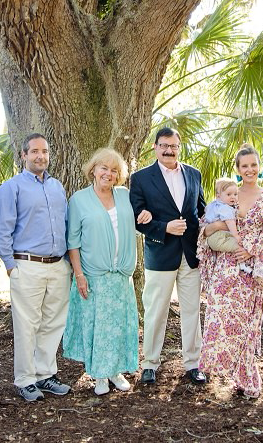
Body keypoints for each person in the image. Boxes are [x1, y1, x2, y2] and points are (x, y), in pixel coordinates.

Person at [198, 144, 263, 398]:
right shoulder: (229, 194)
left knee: (246, 322)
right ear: (238, 170)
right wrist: (216, 227)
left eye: (253, 165)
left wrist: (251, 250)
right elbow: (207, 226)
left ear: (259, 166)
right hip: (225, 266)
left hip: (251, 267)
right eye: (244, 166)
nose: (249, 169)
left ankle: (247, 376)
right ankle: (226, 371)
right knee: (220, 316)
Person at [62, 148, 151, 395]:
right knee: (98, 326)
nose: (108, 174)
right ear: (93, 169)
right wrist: (79, 275)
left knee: (119, 326)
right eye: (104, 168)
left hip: (121, 276)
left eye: (114, 170)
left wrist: (144, 214)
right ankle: (99, 376)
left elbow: (140, 217)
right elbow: (73, 242)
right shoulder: (79, 200)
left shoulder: (125, 196)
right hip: (93, 275)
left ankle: (115, 371)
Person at [0, 133, 72, 402]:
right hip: (27, 265)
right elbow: (1, 231)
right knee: (27, 325)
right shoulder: (11, 188)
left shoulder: (57, 187)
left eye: (45, 151)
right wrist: (11, 267)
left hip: (58, 266)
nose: (41, 156)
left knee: (53, 323)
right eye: (34, 151)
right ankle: (25, 379)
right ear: (23, 155)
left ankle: (45, 374)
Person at [130, 127, 208, 386]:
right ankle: (150, 364)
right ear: (155, 147)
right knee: (155, 311)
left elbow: (201, 211)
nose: (168, 150)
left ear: (179, 146)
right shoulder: (141, 178)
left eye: (173, 146)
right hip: (160, 254)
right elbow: (137, 219)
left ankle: (193, 364)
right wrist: (164, 227)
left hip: (190, 254)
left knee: (191, 310)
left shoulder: (194, 174)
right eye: (163, 145)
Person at [202, 178, 251, 273]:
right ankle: (243, 265)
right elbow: (230, 222)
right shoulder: (225, 208)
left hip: (213, 237)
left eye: (235, 194)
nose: (233, 197)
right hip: (219, 237)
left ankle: (242, 264)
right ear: (219, 196)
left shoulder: (213, 205)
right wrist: (236, 236)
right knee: (240, 247)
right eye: (229, 194)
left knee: (235, 247)